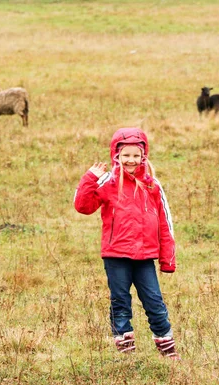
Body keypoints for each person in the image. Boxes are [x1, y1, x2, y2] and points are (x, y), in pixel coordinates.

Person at [73, 127, 180, 359]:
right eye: (126, 156)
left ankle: (168, 351)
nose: (131, 160)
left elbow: (165, 222)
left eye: (135, 155)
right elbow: (83, 206)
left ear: (143, 156)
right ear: (117, 156)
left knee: (155, 302)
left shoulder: (153, 186)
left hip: (145, 258)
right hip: (116, 256)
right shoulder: (107, 183)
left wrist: (167, 258)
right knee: (120, 302)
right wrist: (89, 178)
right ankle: (125, 353)